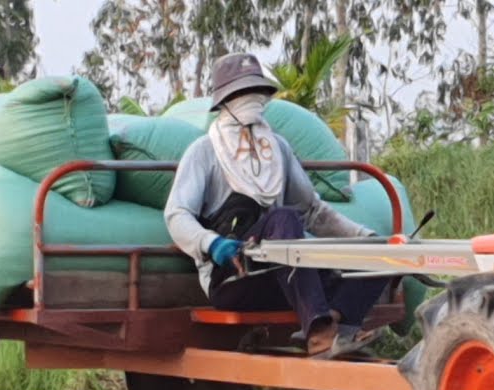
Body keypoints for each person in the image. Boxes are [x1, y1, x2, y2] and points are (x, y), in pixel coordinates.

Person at [165, 52, 389, 358]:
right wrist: (212, 243)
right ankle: (319, 334)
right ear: (225, 100)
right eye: (242, 93)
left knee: (383, 254)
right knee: (282, 217)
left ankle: (336, 327)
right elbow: (177, 214)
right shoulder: (204, 152)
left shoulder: (278, 148)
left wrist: (367, 239)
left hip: (285, 276)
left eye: (256, 92)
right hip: (235, 277)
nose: (252, 100)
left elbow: (312, 210)